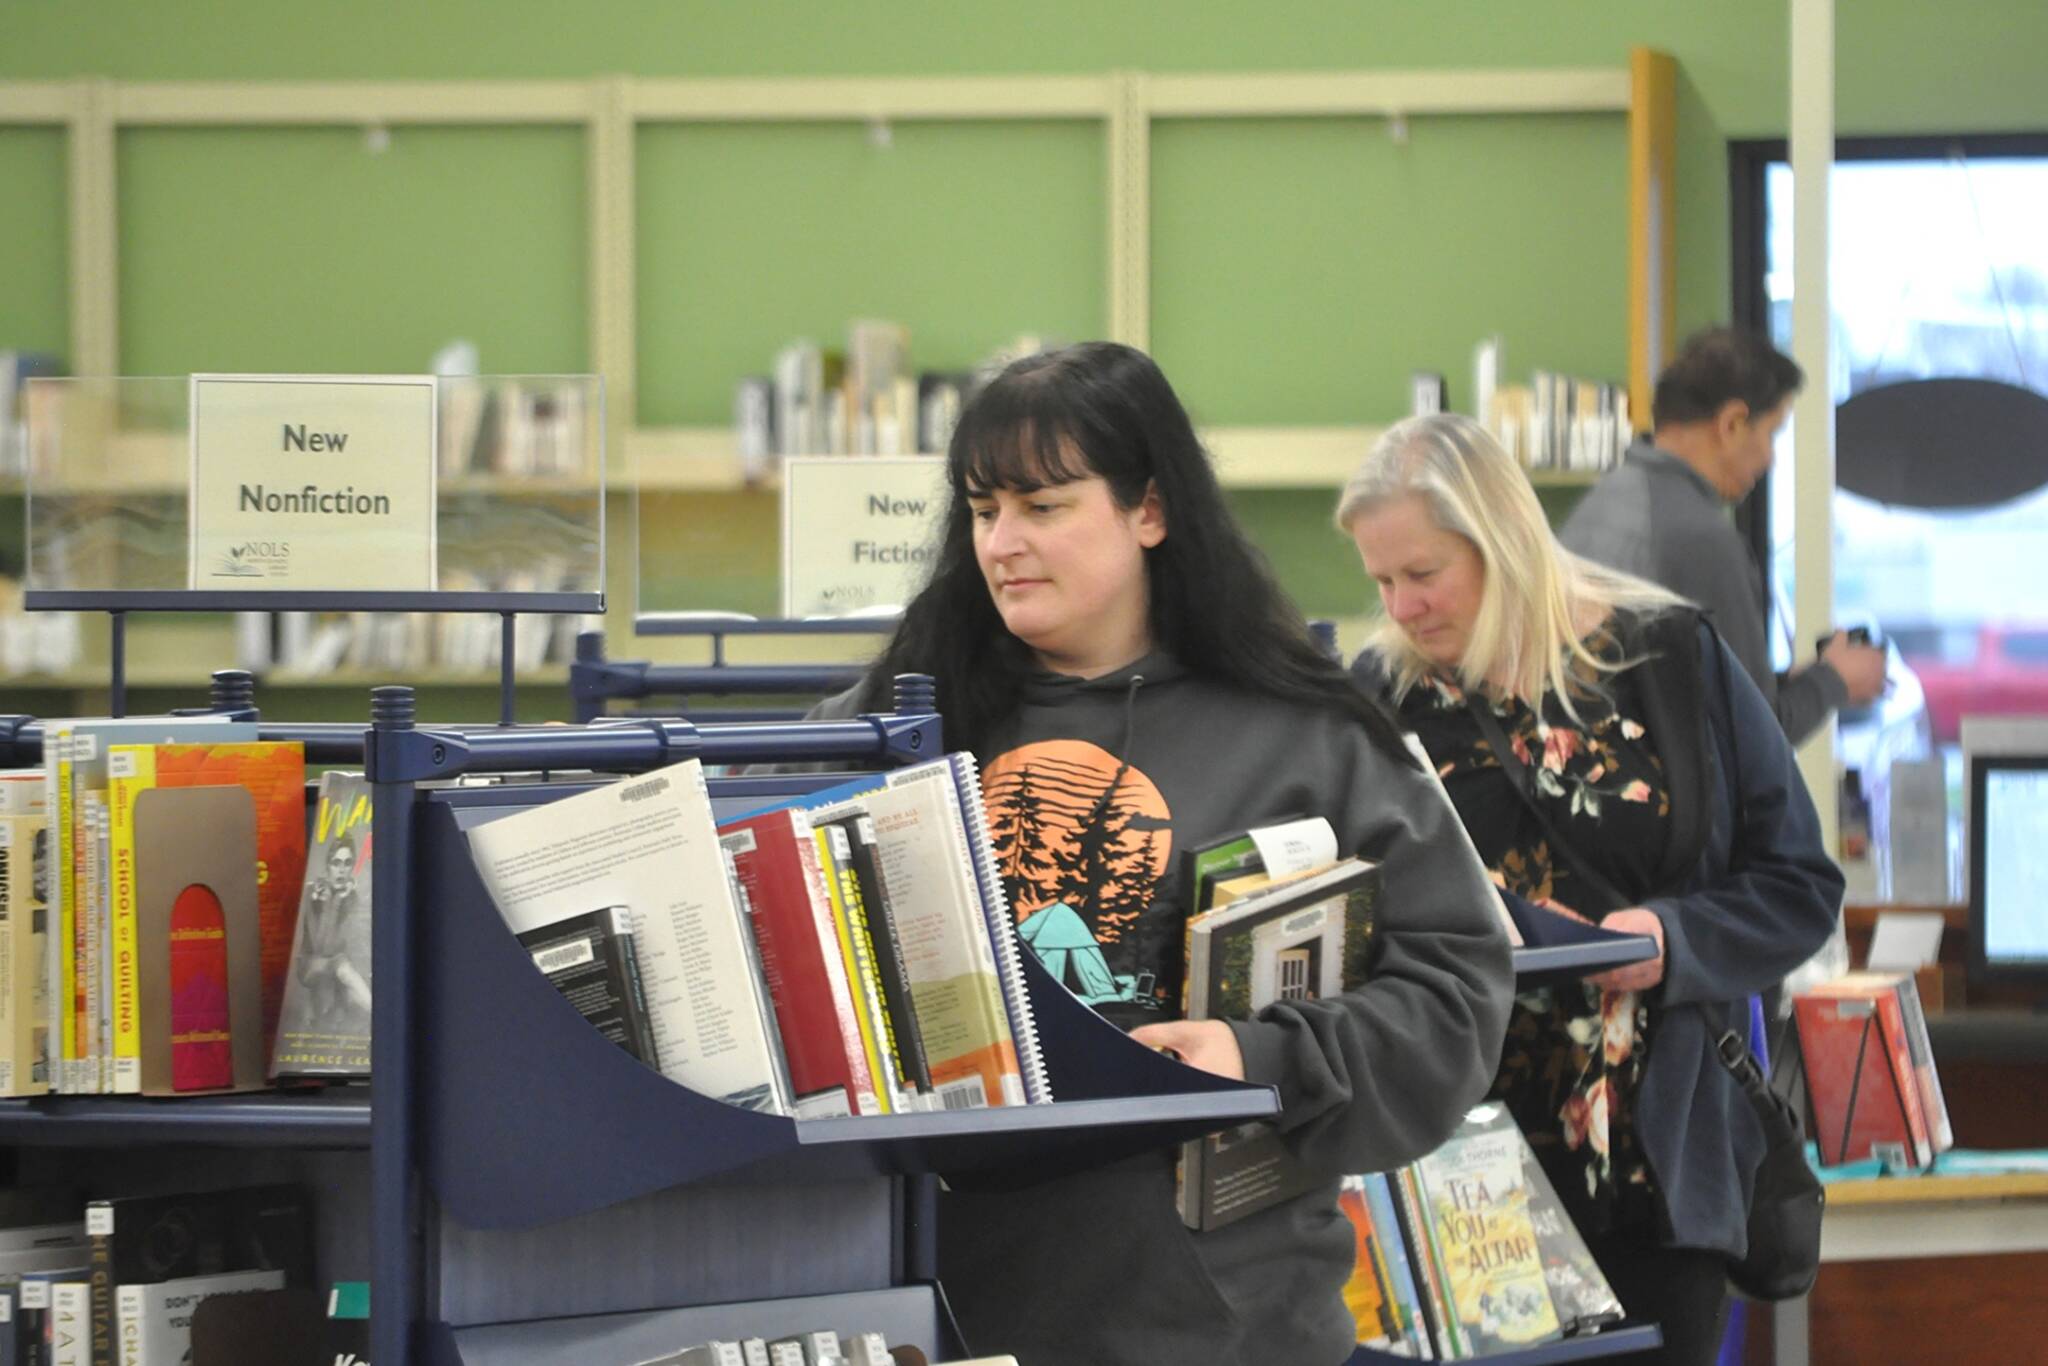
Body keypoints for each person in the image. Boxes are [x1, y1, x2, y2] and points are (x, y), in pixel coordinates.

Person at [818, 342, 1515, 1366]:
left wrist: (1258, 1058)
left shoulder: (1308, 734)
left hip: (1228, 1326)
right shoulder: (893, 722)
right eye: (980, 509)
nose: (1001, 541)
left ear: (1147, 509)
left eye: (1041, 506)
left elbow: (1457, 990)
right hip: (941, 1317)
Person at [1338, 413, 1843, 1366]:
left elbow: (1799, 884)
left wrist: (1671, 940)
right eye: (1381, 581)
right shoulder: (1381, 699)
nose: (1400, 608)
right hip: (1461, 1172)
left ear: (1503, 542)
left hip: (1659, 1163)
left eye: (1423, 574)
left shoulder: (1672, 661)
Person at [1560, 327, 1886, 746]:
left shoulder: (1604, 500)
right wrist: (1834, 683)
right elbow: (1753, 740)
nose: (1769, 459)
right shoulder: (1698, 537)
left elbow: (1682, 693)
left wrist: (1801, 679)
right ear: (1732, 424)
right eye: (1771, 433)